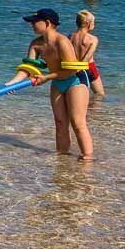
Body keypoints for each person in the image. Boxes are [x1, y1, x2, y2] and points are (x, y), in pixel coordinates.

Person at [23, 8, 93, 158]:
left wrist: (47, 78)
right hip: (57, 81)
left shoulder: (62, 41)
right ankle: (62, 155)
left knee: (77, 122)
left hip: (75, 80)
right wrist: (10, 85)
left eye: (35, 22)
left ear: (47, 23)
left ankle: (87, 157)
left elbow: (71, 70)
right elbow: (29, 69)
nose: (32, 25)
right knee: (60, 122)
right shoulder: (35, 44)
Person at [73, 9, 105, 104]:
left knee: (78, 93)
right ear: (88, 23)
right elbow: (87, 57)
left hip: (73, 67)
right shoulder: (93, 39)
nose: (94, 25)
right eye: (94, 22)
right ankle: (93, 113)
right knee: (99, 93)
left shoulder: (70, 36)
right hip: (88, 67)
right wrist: (81, 68)